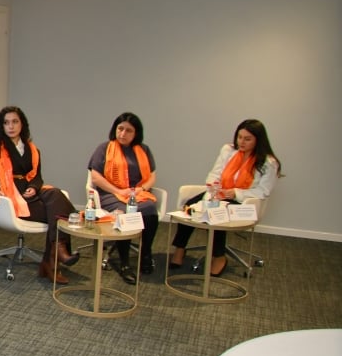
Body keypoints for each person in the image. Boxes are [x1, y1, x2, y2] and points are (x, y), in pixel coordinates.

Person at [0, 106, 78, 284]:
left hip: (29, 192)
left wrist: (35, 187)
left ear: (22, 124)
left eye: (15, 122)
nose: (11, 126)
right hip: (9, 194)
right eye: (6, 123)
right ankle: (52, 260)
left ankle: (53, 257)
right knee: (59, 214)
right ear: (1, 125)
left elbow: (37, 176)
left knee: (56, 195)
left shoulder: (31, 148)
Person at [169, 119, 281, 276]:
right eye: (239, 137)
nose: (241, 142)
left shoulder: (268, 163)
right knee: (190, 207)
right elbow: (215, 173)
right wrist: (214, 190)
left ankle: (219, 256)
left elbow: (263, 191)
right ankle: (180, 249)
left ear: (258, 140)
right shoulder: (228, 150)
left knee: (216, 215)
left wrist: (236, 193)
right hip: (219, 194)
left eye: (247, 139)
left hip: (243, 202)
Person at [88, 112, 159, 284]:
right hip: (110, 194)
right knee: (127, 212)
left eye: (128, 130)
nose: (123, 134)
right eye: (120, 129)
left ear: (136, 133)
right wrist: (118, 191)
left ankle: (146, 253)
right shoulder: (104, 148)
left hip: (136, 193)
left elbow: (152, 175)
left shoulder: (144, 150)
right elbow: (96, 177)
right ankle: (125, 262)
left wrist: (140, 189)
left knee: (149, 209)